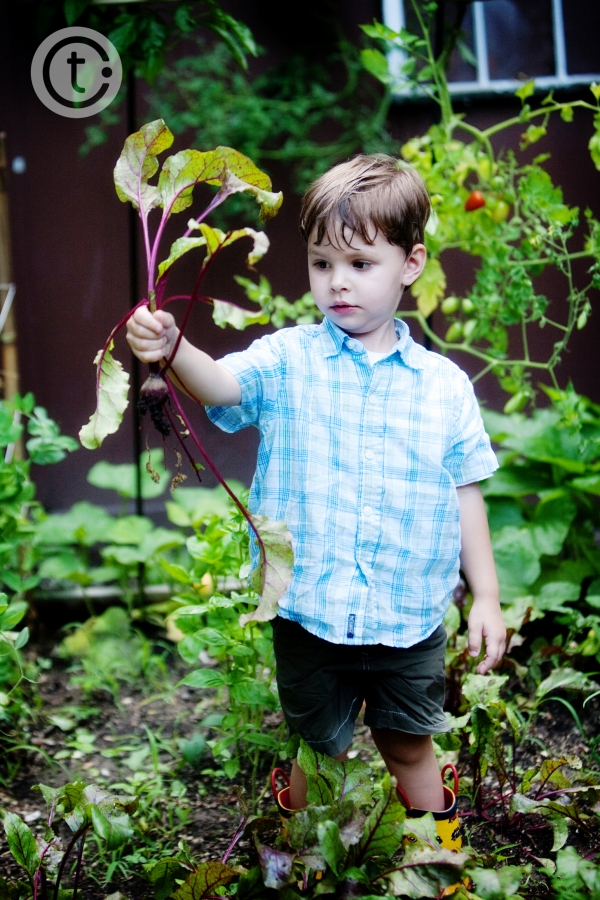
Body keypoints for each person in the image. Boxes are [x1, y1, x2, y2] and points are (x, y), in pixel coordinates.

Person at [126, 153, 506, 840]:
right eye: (322, 263)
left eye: (360, 264)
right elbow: (220, 386)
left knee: (408, 746)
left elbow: (466, 494)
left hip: (407, 612)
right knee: (317, 747)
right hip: (310, 610)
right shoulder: (288, 359)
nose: (338, 282)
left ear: (411, 264)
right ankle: (300, 857)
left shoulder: (444, 386)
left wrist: (486, 597)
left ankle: (441, 860)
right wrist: (171, 347)